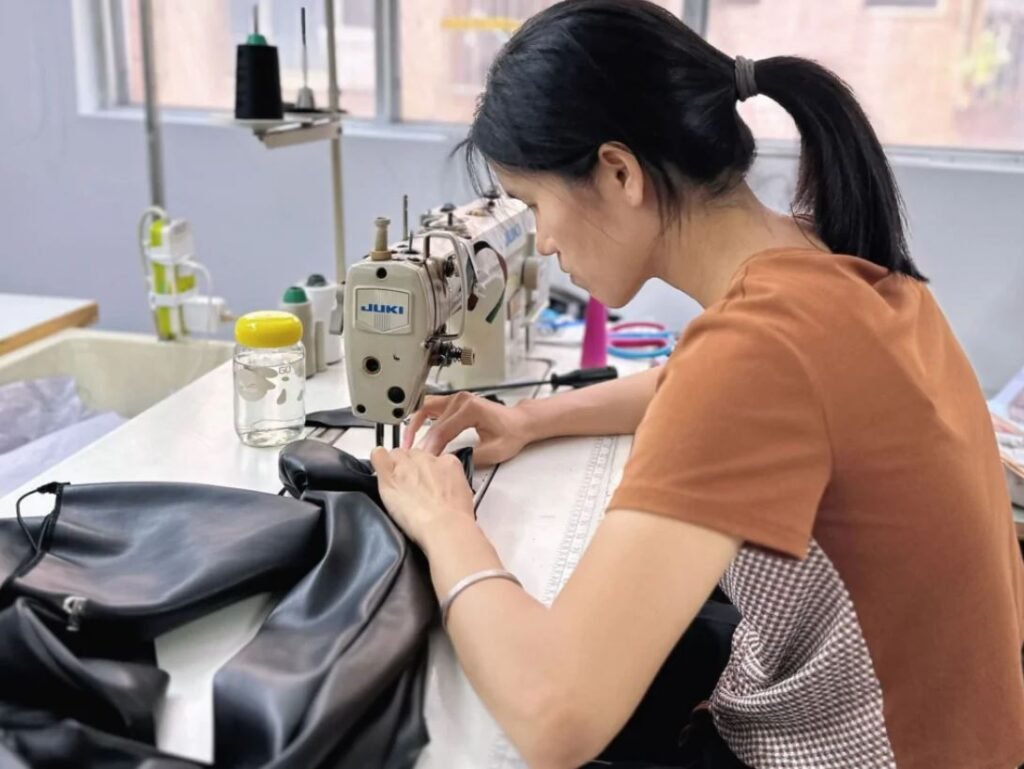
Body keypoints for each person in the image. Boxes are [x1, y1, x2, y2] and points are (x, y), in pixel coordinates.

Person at [369, 2, 1024, 767]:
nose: (541, 242)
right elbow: (686, 387)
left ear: (619, 173)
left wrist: (444, 519)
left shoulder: (758, 353)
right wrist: (530, 420)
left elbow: (555, 716)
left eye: (538, 204)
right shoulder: (821, 260)